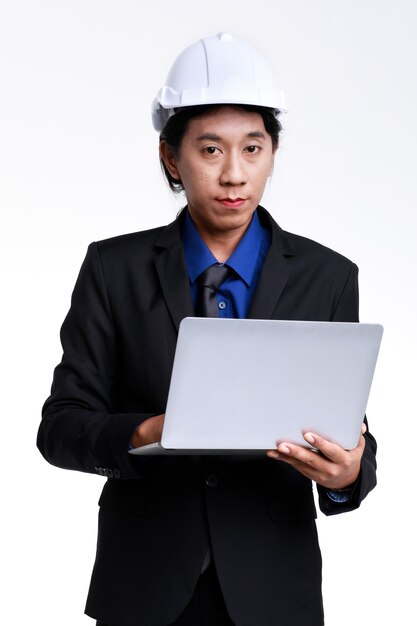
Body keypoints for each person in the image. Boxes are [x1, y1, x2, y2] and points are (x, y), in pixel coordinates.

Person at [37, 33, 377, 626]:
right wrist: (149, 431)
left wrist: (349, 473)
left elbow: (351, 433)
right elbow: (61, 426)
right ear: (172, 157)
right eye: (211, 150)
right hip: (144, 585)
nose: (234, 175)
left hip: (274, 590)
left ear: (273, 152)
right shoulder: (112, 270)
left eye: (253, 148)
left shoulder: (328, 277)